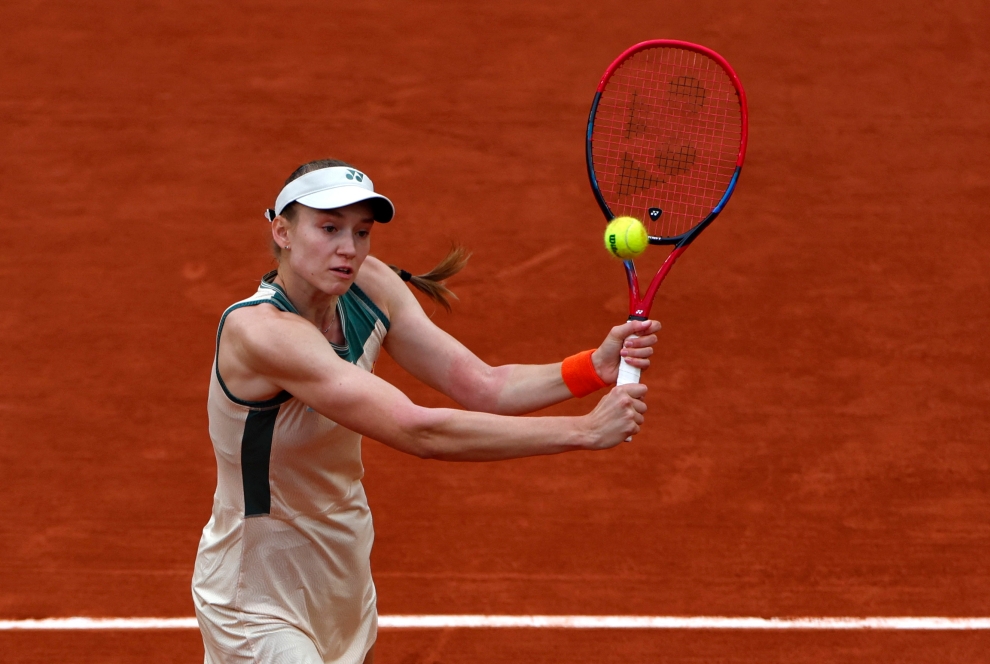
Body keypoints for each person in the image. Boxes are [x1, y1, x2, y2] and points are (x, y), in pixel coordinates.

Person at [191, 159, 662, 664]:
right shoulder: (262, 333)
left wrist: (591, 368)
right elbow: (420, 431)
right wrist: (584, 430)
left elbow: (482, 385)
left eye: (361, 231)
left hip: (341, 572)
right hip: (256, 593)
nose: (348, 248)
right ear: (282, 231)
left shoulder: (368, 287)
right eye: (329, 228)